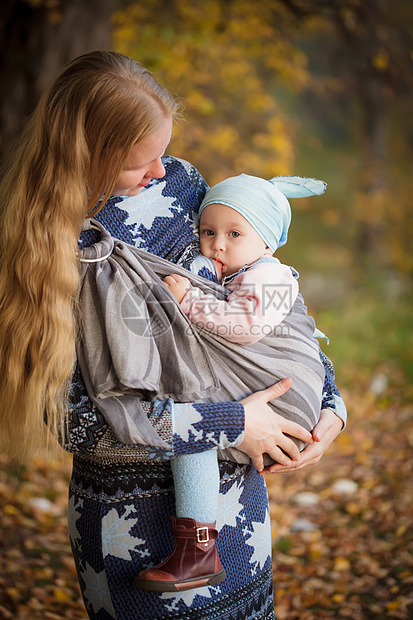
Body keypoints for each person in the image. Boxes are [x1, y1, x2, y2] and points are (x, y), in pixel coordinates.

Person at [0, 51, 346, 620]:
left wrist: (326, 400)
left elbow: (258, 294)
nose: (162, 170)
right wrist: (237, 423)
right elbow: (80, 421)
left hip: (235, 506)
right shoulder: (46, 246)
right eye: (141, 162)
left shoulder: (182, 184)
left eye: (163, 151)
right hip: (135, 527)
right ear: (89, 155)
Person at [134, 173, 326, 592]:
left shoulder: (271, 277)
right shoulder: (241, 271)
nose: (216, 243)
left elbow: (247, 326)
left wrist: (189, 300)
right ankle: (197, 546)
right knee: (196, 426)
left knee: (194, 425)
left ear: (268, 242)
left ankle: (198, 549)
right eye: (208, 231)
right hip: (268, 392)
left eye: (234, 233)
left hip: (286, 398)